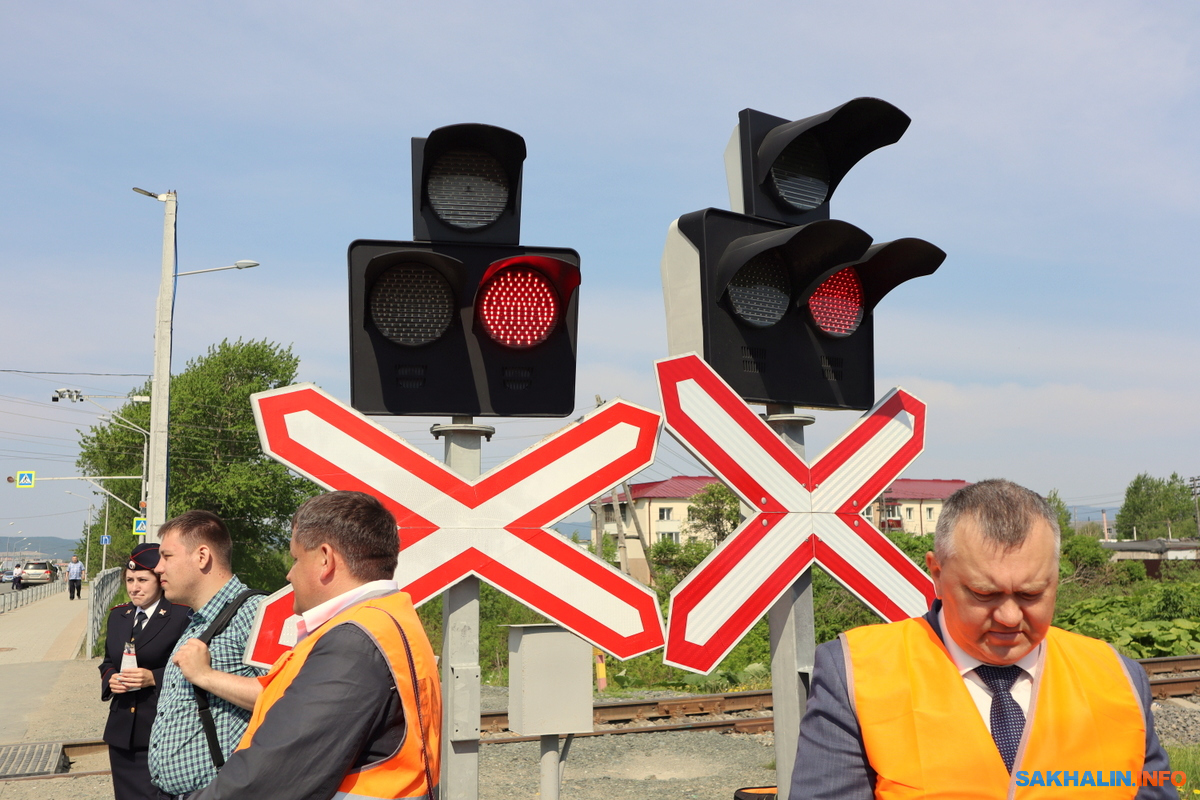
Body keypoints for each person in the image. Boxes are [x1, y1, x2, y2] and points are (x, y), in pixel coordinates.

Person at [792, 479, 1173, 800]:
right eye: (984, 594)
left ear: (1056, 578)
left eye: (1031, 594)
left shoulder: (1118, 677)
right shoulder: (856, 673)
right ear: (937, 574)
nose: (1009, 617)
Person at [189, 491, 441, 800]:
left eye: (296, 558)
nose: (289, 573)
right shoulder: (389, 618)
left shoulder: (353, 644)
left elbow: (269, 779)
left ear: (325, 559)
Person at [148, 510, 267, 800]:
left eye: (167, 556)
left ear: (202, 556)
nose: (158, 568)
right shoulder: (197, 620)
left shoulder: (256, 612)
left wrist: (206, 676)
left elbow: (286, 698)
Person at [99, 544, 191, 800]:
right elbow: (108, 661)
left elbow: (191, 667)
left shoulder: (181, 616)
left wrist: (153, 678)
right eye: (129, 580)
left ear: (160, 581)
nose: (134, 587)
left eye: (142, 579)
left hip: (159, 728)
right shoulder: (119, 616)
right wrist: (111, 680)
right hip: (122, 731)